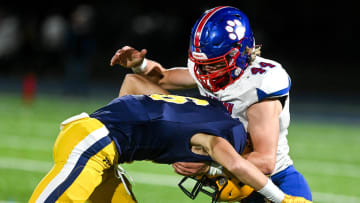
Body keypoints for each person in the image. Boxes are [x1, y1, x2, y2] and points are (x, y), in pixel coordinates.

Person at [110, 6, 312, 202]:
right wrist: (141, 65)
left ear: (239, 54)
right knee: (135, 83)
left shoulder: (258, 86)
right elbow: (163, 77)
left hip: (273, 179)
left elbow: (266, 162)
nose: (205, 74)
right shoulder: (208, 68)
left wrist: (209, 166)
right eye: (201, 66)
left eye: (214, 65)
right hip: (236, 174)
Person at [29, 94, 311, 203]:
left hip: (106, 151)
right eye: (219, 182)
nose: (210, 180)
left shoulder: (217, 112)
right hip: (92, 143)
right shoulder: (225, 139)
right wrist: (281, 199)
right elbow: (237, 165)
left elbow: (133, 89)